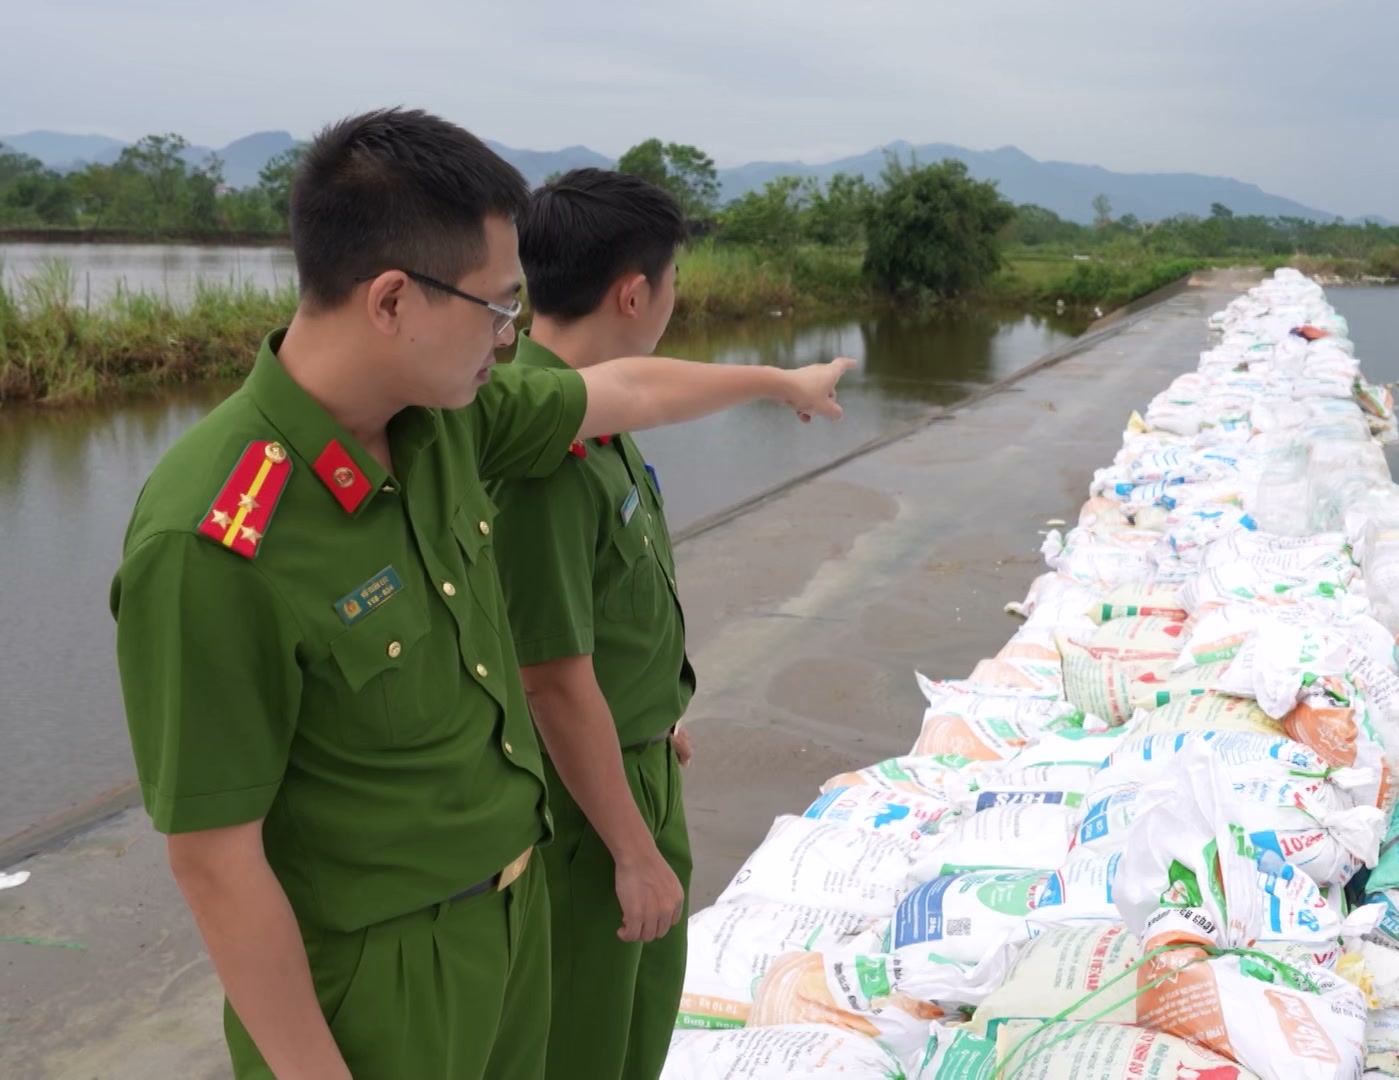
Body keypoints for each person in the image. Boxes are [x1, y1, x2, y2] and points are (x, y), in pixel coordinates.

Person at [107, 109, 851, 1080]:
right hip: (380, 983)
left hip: (514, 918)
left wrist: (774, 379)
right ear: (390, 302)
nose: (511, 339)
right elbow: (214, 857)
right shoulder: (213, 536)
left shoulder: (446, 424)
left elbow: (625, 393)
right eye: (499, 310)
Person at [488, 167, 790, 1079]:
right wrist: (630, 848)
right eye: (672, 284)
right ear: (634, 292)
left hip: (637, 762)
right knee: (586, 1040)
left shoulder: (595, 419)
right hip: (585, 815)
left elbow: (610, 620)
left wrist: (657, 715)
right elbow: (548, 675)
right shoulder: (547, 455)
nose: (674, 302)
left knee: (639, 1023)